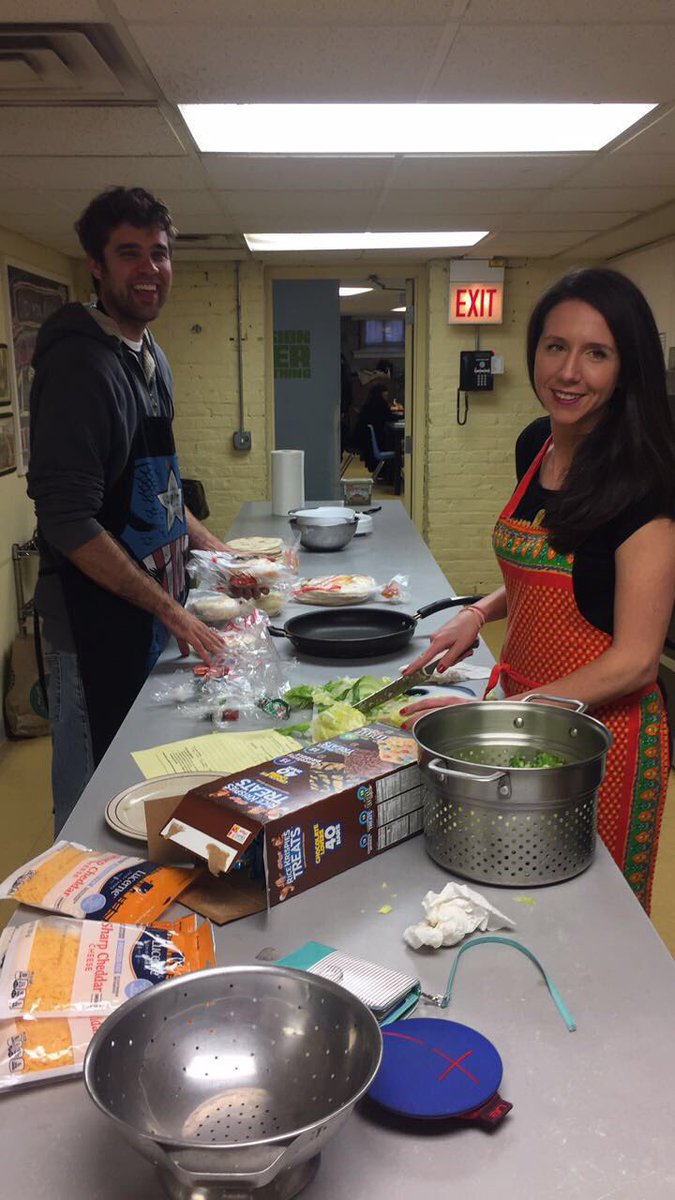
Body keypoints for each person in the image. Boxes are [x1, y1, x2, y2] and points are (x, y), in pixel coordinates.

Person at [402, 267, 675, 912]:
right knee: (503, 892)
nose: (569, 372)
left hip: (599, 740)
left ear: (628, 365)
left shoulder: (646, 484)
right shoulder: (537, 443)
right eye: (556, 347)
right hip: (523, 709)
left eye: (597, 353)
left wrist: (488, 721)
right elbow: (564, 571)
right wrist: (479, 612)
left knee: (582, 915)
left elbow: (636, 660)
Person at [27, 186, 237, 832]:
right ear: (96, 264)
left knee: (145, 789)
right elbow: (68, 520)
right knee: (94, 805)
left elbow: (162, 495)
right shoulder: (78, 366)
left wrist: (223, 553)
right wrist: (171, 607)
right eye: (129, 254)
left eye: (160, 253)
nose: (149, 269)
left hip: (147, 618)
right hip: (94, 631)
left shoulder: (150, 360)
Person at [355, 381, 394, 472]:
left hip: (365, 442)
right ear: (381, 394)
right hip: (378, 440)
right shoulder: (380, 405)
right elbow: (388, 416)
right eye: (386, 395)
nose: (387, 398)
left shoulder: (370, 403)